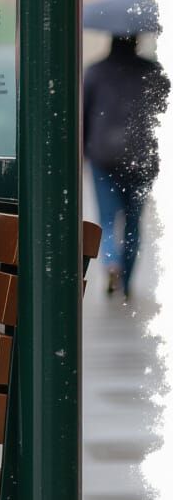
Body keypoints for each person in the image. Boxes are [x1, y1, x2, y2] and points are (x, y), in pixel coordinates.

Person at [83, 34, 167, 300]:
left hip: (103, 155)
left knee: (107, 219)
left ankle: (111, 261)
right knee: (133, 221)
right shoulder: (153, 72)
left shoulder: (95, 72)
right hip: (141, 158)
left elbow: (84, 114)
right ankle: (127, 281)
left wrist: (85, 149)